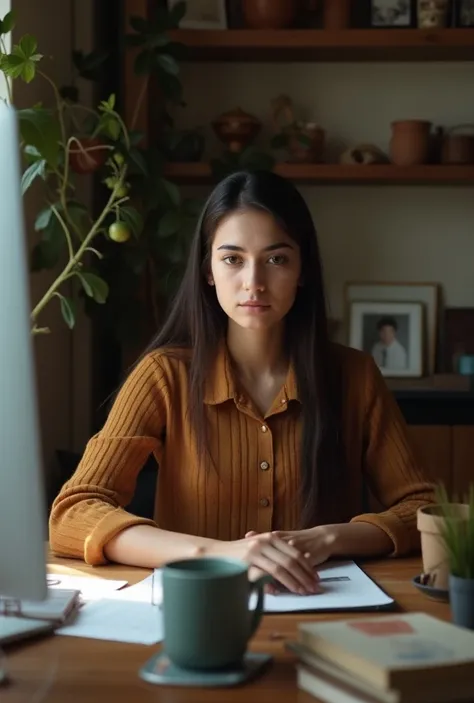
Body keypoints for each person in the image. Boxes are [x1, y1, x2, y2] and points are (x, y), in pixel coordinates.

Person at [49, 170, 434, 595]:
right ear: (208, 270)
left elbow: (425, 509)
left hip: (325, 609)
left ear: (303, 269)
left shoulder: (354, 376)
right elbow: (74, 512)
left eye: (276, 258)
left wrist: (327, 538)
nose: (254, 282)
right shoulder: (164, 374)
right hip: (197, 609)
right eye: (233, 259)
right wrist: (219, 553)